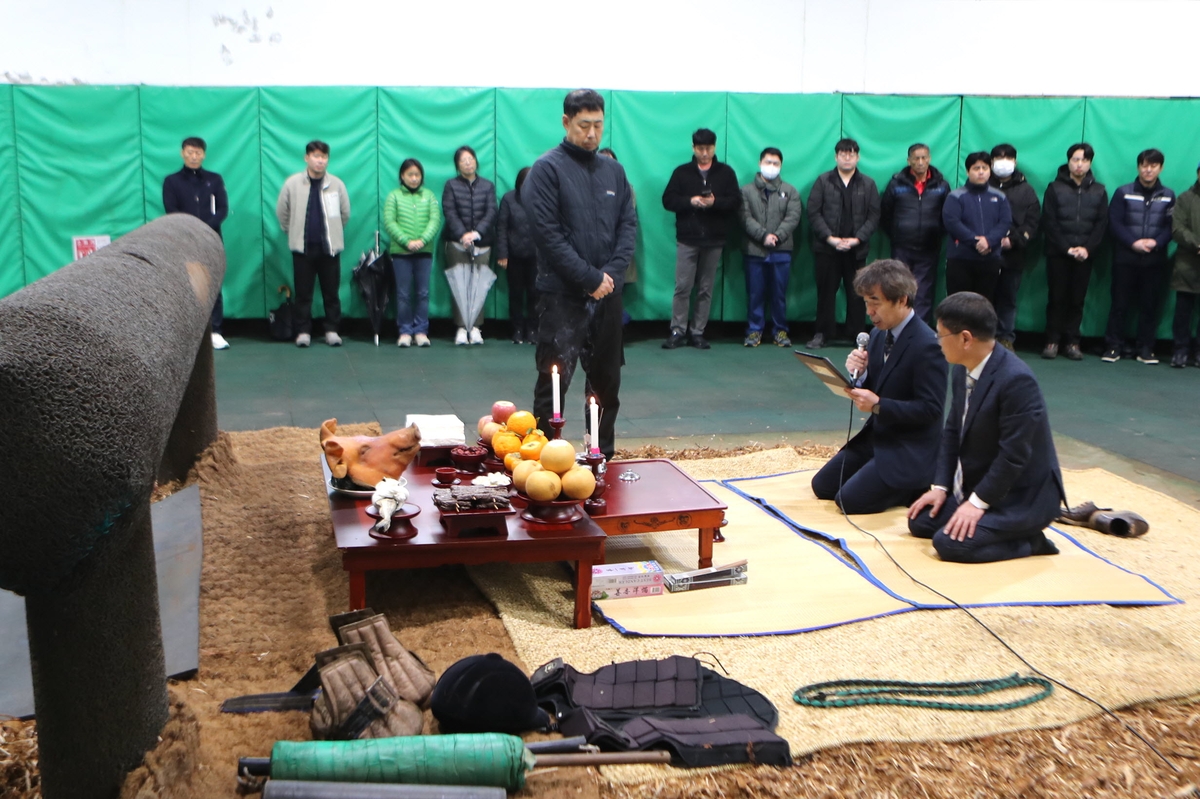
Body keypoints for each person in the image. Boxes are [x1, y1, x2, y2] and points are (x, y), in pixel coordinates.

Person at [908, 292, 1066, 563]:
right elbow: (952, 432)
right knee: (921, 522)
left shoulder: (1017, 381)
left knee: (949, 545)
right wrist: (941, 486)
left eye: (941, 335)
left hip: (1022, 496)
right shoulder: (961, 367)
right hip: (983, 481)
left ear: (965, 339)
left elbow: (1013, 456)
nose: (937, 342)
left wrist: (977, 503)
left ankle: (1032, 541)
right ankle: (988, 520)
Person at [523, 89, 636, 459]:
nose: (591, 134)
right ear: (566, 122)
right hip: (562, 297)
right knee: (553, 380)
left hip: (608, 295)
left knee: (606, 384)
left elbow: (627, 227)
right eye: (584, 125)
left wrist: (611, 276)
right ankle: (544, 459)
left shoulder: (614, 171)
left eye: (598, 125)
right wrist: (589, 278)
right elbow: (548, 235)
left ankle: (599, 457)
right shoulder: (547, 170)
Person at [811, 259, 947, 514]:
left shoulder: (928, 345)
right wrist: (859, 376)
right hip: (878, 438)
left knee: (847, 501)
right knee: (823, 486)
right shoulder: (876, 335)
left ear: (902, 300)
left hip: (908, 448)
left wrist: (879, 405)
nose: (869, 311)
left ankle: (912, 486)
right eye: (866, 303)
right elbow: (876, 387)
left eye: (876, 303)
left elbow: (931, 410)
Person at [660, 128, 740, 350]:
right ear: (693, 148)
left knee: (706, 288)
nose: (704, 153)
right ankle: (677, 330)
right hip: (687, 238)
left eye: (708, 149)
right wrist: (690, 201)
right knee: (683, 286)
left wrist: (715, 203)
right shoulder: (681, 172)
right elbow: (668, 200)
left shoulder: (726, 173)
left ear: (714, 148)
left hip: (714, 239)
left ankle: (697, 332)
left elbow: (735, 202)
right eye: (700, 149)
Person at [805, 138, 880, 349]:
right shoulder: (823, 181)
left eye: (852, 154)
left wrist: (857, 239)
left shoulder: (868, 183)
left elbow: (874, 216)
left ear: (858, 157)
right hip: (827, 249)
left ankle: (857, 334)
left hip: (857, 250)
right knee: (826, 292)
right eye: (843, 154)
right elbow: (813, 212)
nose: (847, 157)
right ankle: (822, 333)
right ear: (836, 156)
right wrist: (830, 238)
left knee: (857, 293)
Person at [1103, 148, 1176, 364]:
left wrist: (1156, 243)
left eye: (1153, 166)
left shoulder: (1169, 195)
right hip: (1125, 258)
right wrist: (1133, 242)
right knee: (1119, 304)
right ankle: (1113, 346)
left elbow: (1171, 226)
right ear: (1138, 167)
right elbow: (1114, 223)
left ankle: (1146, 349)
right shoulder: (1122, 192)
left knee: (1150, 305)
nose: (1148, 169)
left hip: (1155, 260)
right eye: (1144, 165)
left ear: (1160, 168)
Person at [275, 140, 350, 347]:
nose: (320, 161)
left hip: (330, 249)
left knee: (331, 293)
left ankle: (332, 330)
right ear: (306, 158)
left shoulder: (336, 184)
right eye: (316, 156)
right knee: (303, 294)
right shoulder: (292, 183)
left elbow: (345, 214)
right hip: (303, 249)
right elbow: (282, 212)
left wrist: (333, 233)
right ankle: (302, 332)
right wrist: (294, 232)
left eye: (324, 157)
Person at [1041, 143, 1108, 361]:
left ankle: (1072, 342)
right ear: (1069, 161)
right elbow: (1049, 222)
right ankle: (1052, 341)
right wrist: (1066, 248)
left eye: (1084, 160)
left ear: (1090, 163)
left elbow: (1101, 223)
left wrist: (1086, 249)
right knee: (1057, 298)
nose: (1080, 164)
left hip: (1085, 256)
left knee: (1077, 300)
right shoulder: (1054, 188)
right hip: (1058, 254)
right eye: (1076, 160)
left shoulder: (1099, 190)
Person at [163, 136, 230, 350]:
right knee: (188, 286)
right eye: (190, 152)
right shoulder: (172, 181)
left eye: (198, 152)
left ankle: (216, 331)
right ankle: (190, 335)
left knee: (213, 286)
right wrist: (192, 230)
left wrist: (206, 229)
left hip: (211, 240)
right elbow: (171, 210)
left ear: (204, 154)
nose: (194, 156)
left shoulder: (214, 180)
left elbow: (222, 209)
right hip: (184, 241)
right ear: (182, 153)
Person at [880, 143, 950, 325]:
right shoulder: (896, 184)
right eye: (916, 158)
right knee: (898, 290)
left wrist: (935, 235)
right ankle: (896, 329)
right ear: (908, 160)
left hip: (929, 248)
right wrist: (897, 235)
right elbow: (885, 214)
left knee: (924, 293)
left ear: (930, 159)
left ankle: (920, 332)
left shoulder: (941, 185)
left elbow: (947, 216)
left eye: (924, 158)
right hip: (901, 247)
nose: (920, 162)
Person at [739, 147, 802, 348]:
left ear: (781, 166)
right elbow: (744, 217)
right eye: (768, 162)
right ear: (760, 163)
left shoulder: (790, 191)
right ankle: (754, 331)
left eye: (775, 163)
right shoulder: (746, 191)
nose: (771, 167)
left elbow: (793, 217)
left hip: (782, 251)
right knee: (755, 293)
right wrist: (763, 236)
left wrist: (777, 236)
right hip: (754, 250)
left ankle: (780, 331)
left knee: (779, 294)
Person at [383, 158, 441, 348]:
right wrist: (406, 242)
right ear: (402, 176)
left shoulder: (430, 196)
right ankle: (405, 331)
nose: (414, 178)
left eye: (417, 175)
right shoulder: (394, 196)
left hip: (424, 252)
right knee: (403, 294)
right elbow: (390, 222)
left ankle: (421, 331)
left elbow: (435, 220)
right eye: (410, 175)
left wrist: (422, 240)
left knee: (423, 293)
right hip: (401, 253)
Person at [442, 146, 497, 345]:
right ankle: (460, 327)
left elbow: (491, 211)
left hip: (483, 243)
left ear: (476, 161)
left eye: (470, 158)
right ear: (457, 165)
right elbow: (449, 211)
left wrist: (477, 233)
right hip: (457, 244)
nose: (468, 162)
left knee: (478, 286)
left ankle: (475, 327)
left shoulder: (488, 186)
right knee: (460, 285)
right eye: (463, 160)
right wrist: (463, 235)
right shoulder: (450, 185)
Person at [988, 144, 1041, 350]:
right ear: (991, 162)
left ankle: (1006, 338)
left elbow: (1032, 221)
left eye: (1007, 158)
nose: (1003, 162)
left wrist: (1014, 240)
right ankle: (984, 337)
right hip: (985, 254)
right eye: (998, 158)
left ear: (1015, 162)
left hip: (1014, 255)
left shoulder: (1026, 190)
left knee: (1008, 299)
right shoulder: (983, 184)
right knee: (984, 298)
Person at [942, 152, 1011, 302]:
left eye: (984, 168)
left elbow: (1005, 222)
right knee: (958, 304)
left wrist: (989, 241)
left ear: (990, 170)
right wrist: (975, 241)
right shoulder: (955, 196)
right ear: (967, 171)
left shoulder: (1000, 196)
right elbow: (952, 223)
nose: (981, 172)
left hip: (990, 258)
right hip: (960, 259)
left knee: (984, 304)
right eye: (976, 168)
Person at [496, 167, 538, 345]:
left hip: (537, 257)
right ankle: (517, 329)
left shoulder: (543, 198)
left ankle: (534, 329)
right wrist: (503, 253)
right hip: (514, 256)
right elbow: (502, 227)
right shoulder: (509, 199)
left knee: (536, 294)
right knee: (516, 294)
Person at [599, 147, 637, 326]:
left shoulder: (626, 188)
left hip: (617, 250)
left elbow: (628, 220)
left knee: (614, 292)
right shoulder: (586, 186)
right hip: (594, 252)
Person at [1169, 161, 1200, 368]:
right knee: (1183, 311)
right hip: (1187, 264)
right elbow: (1177, 229)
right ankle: (1180, 350)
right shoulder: (1185, 198)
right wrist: (1197, 244)